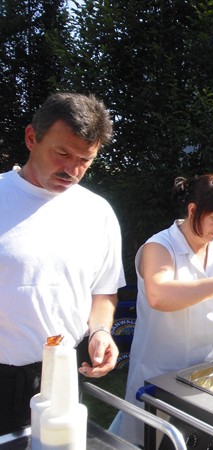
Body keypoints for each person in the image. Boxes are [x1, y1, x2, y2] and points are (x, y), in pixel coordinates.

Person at [0, 92, 126, 435]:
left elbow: (103, 292)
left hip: (63, 376)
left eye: (85, 159)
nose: (72, 170)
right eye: (62, 154)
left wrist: (101, 331)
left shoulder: (97, 212)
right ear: (31, 138)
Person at [114, 174, 213, 446]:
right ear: (193, 210)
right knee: (154, 441)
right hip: (163, 369)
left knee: (200, 440)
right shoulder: (159, 246)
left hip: (210, 364)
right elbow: (159, 296)